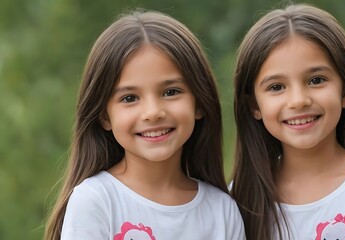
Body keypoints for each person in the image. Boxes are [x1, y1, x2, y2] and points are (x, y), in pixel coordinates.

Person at [44, 10, 245, 240]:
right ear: (105, 116)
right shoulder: (95, 200)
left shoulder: (222, 211)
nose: (152, 113)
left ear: (199, 102)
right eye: (129, 98)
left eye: (171, 92)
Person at [231, 3, 345, 240]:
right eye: (276, 87)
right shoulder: (236, 203)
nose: (298, 101)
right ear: (254, 106)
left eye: (316, 80)